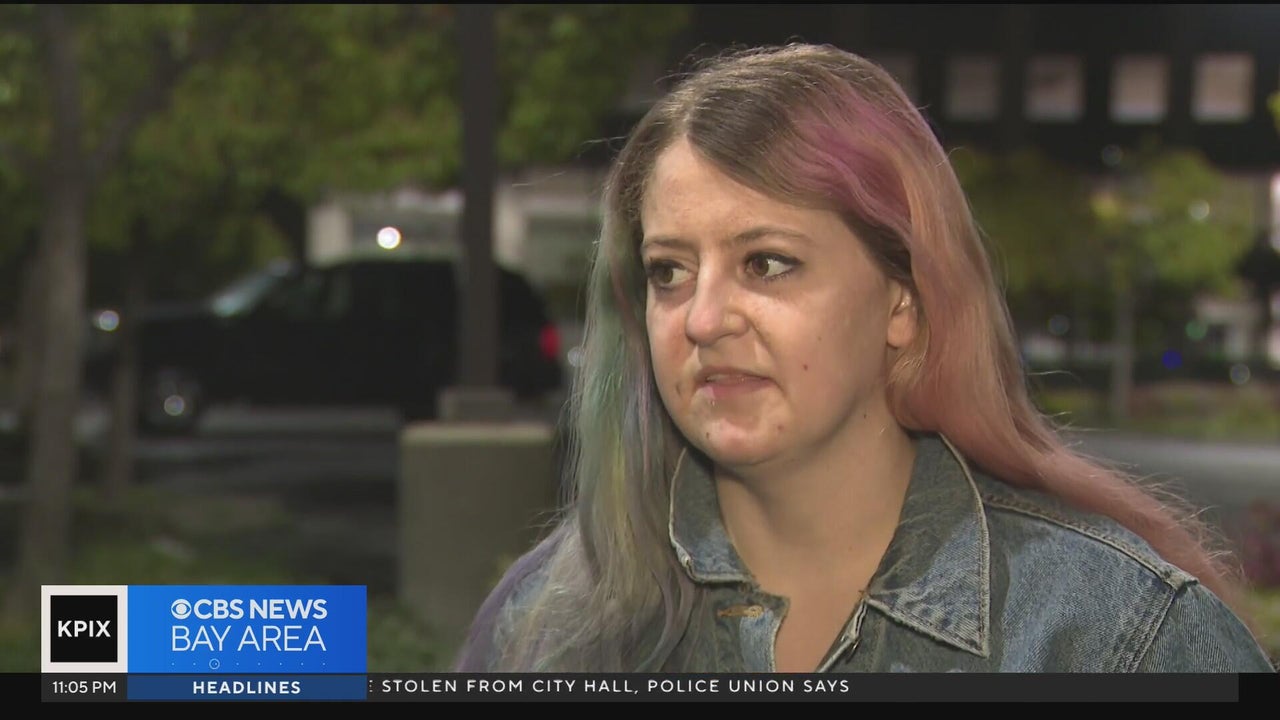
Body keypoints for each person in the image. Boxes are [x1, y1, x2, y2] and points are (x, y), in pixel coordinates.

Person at [455, 43, 1276, 673]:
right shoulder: (545, 621)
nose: (702, 319)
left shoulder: (1119, 638)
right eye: (669, 272)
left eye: (766, 263)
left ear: (902, 302)